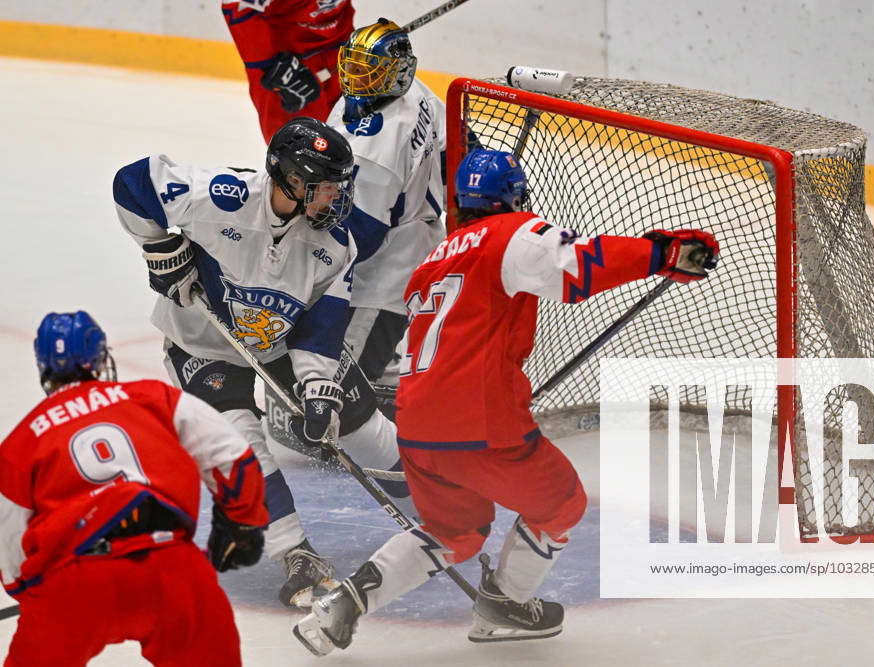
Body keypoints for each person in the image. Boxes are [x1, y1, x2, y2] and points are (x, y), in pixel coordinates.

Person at [293, 148, 720, 654]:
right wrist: (660, 254)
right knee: (562, 503)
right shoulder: (511, 233)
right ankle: (507, 605)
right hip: (477, 419)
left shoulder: (434, 258)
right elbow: (576, 268)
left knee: (455, 530)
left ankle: (341, 604)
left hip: (415, 420)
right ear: (513, 198)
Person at [112, 116, 415, 608]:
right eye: (325, 189)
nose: (336, 200)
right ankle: (295, 552)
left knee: (361, 429)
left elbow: (321, 332)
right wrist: (160, 248)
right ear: (291, 181)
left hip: (284, 342)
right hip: (202, 342)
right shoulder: (223, 197)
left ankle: (433, 497)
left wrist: (318, 394)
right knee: (239, 445)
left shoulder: (336, 245)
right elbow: (132, 181)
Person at [0, 311, 268, 666]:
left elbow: (9, 546)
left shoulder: (21, 441)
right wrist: (241, 522)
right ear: (100, 358)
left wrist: (36, 597)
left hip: (75, 582)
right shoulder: (152, 397)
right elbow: (234, 456)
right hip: (168, 566)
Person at [326, 17, 447, 385]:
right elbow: (454, 144)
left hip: (386, 275)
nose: (356, 81)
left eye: (370, 73)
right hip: (422, 236)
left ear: (397, 74)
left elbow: (360, 237)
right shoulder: (419, 93)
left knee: (343, 384)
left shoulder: (374, 151)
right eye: (355, 69)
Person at [223, 0, 355, 142]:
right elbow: (236, 4)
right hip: (288, 62)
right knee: (302, 150)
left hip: (342, 47)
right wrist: (269, 65)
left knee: (360, 141)